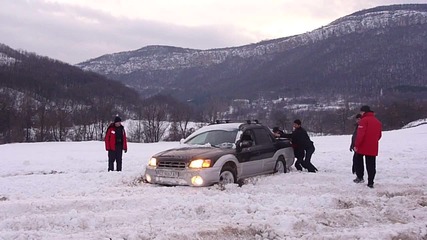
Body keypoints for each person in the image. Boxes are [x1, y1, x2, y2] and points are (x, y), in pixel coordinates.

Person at [353, 106, 382, 188]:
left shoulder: (363, 121)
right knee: (371, 164)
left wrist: (356, 145)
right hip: (373, 146)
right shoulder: (377, 121)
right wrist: (373, 141)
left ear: (364, 112)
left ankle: (360, 177)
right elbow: (379, 135)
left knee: (358, 160)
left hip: (362, 145)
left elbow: (360, 135)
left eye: (361, 112)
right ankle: (370, 182)